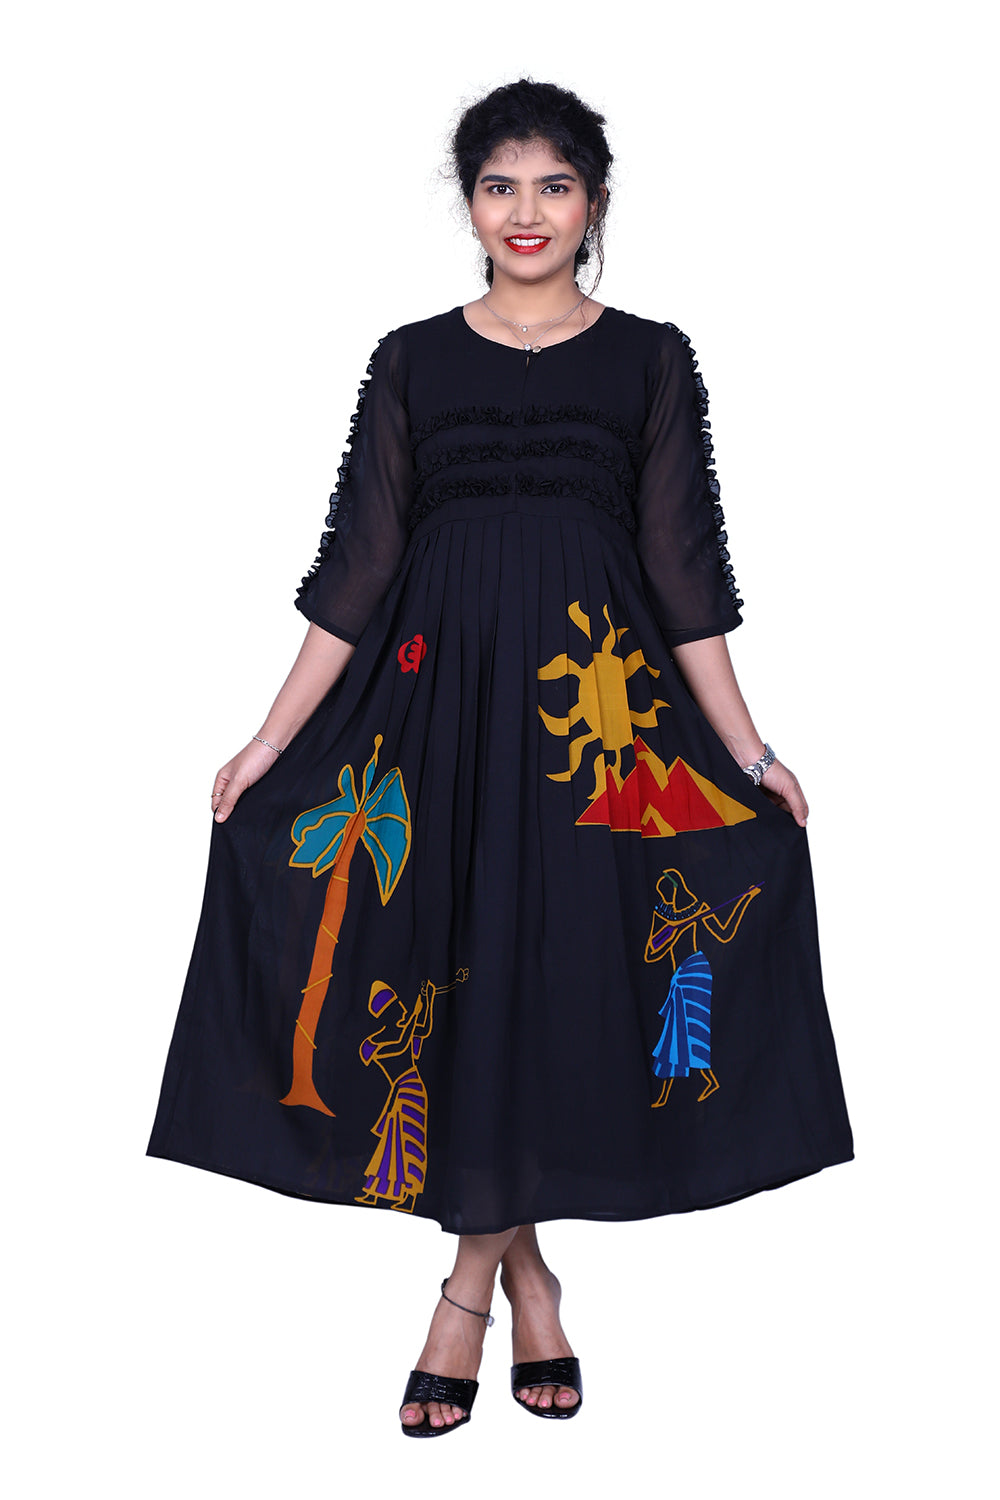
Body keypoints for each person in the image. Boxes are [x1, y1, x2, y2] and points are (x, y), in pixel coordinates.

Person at [147, 78, 854, 1438]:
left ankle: (464, 1296)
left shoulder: (650, 358)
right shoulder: (413, 359)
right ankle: (529, 1284)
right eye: (499, 185)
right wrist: (270, 738)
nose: (526, 212)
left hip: (597, 737)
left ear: (594, 202)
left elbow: (683, 571)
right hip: (433, 716)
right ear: (469, 202)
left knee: (547, 984)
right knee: (454, 978)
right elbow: (357, 567)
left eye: (554, 185)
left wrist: (749, 748)